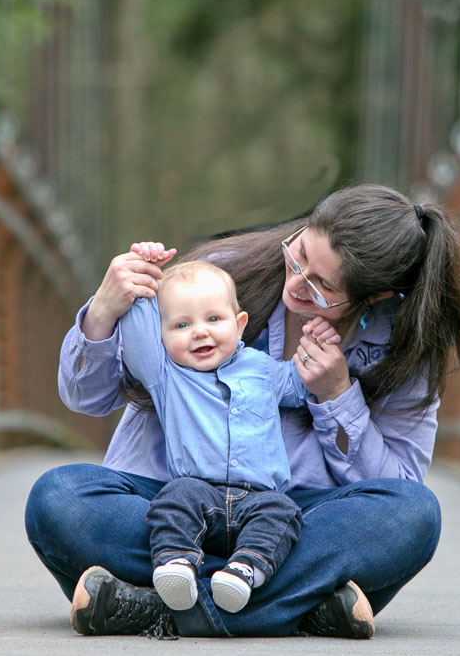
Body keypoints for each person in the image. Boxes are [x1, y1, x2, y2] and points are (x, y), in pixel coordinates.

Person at [25, 184, 460, 639]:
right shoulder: (219, 277)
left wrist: (337, 395)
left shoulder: (408, 345)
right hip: (168, 503)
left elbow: (396, 484)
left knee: (414, 514)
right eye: (299, 254)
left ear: (376, 296)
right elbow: (87, 398)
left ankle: (151, 607)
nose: (298, 284)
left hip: (289, 518)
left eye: (323, 286)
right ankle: (295, 607)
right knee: (58, 497)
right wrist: (103, 311)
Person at [117, 252, 340, 614]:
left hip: (261, 496)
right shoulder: (166, 375)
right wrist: (142, 279)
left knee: (284, 512)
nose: (200, 331)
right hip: (198, 490)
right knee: (173, 500)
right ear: (161, 336)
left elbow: (303, 387)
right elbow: (139, 338)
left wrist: (324, 343)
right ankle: (176, 564)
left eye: (213, 319)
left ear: (239, 325)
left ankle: (243, 571)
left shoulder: (262, 369)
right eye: (181, 326)